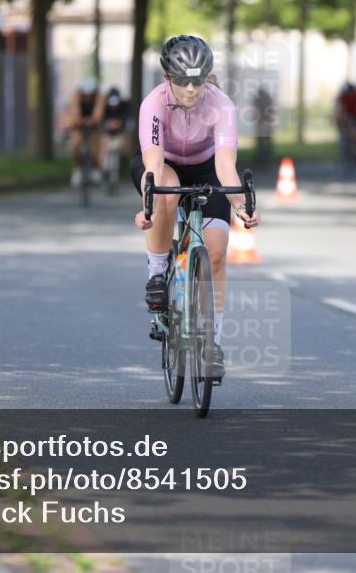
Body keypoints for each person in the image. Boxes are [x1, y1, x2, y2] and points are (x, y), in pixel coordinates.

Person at [130, 35, 261, 379]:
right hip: (164, 166)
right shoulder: (153, 104)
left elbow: (225, 167)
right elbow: (154, 165)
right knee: (167, 189)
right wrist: (148, 206)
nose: (191, 89)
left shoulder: (222, 105)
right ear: (167, 77)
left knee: (216, 251)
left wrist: (241, 205)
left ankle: (212, 344)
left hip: (207, 168)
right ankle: (157, 276)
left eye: (198, 80)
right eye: (183, 81)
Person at [65, 76, 105, 187]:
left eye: (90, 95)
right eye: (85, 95)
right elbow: (74, 111)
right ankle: (78, 168)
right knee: (75, 144)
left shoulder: (100, 97)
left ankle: (96, 168)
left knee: (96, 145)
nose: (88, 98)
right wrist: (77, 121)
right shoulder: (75, 97)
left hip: (94, 125)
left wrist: (93, 120)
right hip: (79, 124)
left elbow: (99, 113)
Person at [99, 86, 130, 174]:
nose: (114, 106)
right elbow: (100, 121)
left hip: (121, 131)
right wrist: (107, 124)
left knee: (125, 142)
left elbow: (128, 121)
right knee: (103, 143)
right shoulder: (104, 107)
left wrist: (120, 124)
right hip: (107, 131)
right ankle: (103, 168)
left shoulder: (125, 106)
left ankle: (124, 161)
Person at [334, 82, 356, 170]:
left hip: (355, 115)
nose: (349, 95)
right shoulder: (342, 96)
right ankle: (345, 149)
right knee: (344, 133)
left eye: (351, 93)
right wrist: (337, 118)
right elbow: (339, 109)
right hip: (345, 114)